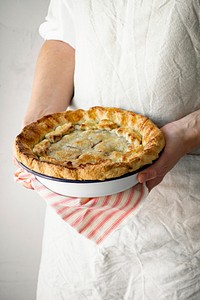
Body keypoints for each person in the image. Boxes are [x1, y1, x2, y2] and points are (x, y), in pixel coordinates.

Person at [20, 0, 200, 299]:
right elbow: (64, 37)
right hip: (76, 191)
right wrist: (38, 128)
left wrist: (189, 130)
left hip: (182, 204)